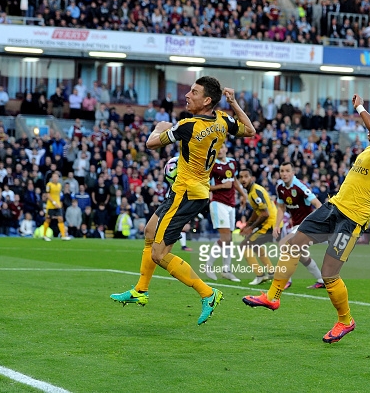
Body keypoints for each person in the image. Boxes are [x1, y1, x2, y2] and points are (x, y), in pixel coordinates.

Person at [243, 95, 370, 344]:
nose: (369, 127)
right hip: (333, 207)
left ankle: (345, 320)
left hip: (351, 219)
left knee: (330, 274)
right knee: (293, 243)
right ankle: (273, 296)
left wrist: (361, 108)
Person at [110, 76, 256, 325]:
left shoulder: (188, 125)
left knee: (158, 254)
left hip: (186, 194)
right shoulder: (222, 120)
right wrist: (233, 102)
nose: (187, 95)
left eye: (194, 92)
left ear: (207, 100)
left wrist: (159, 126)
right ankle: (140, 290)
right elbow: (250, 130)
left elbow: (150, 143)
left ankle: (208, 293)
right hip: (189, 191)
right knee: (149, 231)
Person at [273, 162, 324, 289]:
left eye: (287, 171)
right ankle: (322, 280)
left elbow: (318, 204)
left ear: (292, 173)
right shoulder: (280, 188)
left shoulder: (300, 186)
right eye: (282, 171)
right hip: (296, 225)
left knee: (284, 245)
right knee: (302, 256)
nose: (284, 174)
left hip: (307, 225)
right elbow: (281, 207)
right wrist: (276, 225)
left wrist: (319, 223)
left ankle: (285, 280)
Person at [204, 145, 241, 282]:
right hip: (218, 203)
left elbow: (234, 181)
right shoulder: (212, 165)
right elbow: (205, 185)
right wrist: (221, 186)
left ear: (226, 149)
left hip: (231, 205)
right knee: (226, 238)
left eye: (222, 148)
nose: (220, 150)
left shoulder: (232, 163)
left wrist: (243, 195)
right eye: (217, 149)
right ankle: (208, 266)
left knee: (229, 240)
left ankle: (226, 270)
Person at [237, 168, 276, 285]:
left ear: (251, 178)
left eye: (246, 176)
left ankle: (260, 275)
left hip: (269, 225)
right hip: (270, 223)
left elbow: (265, 213)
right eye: (241, 177)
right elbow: (257, 211)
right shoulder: (252, 190)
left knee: (244, 246)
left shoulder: (255, 192)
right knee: (255, 245)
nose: (243, 179)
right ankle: (271, 272)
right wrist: (248, 224)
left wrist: (251, 227)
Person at [41, 172, 71, 241]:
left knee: (60, 219)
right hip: (50, 206)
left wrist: (59, 203)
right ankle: (44, 235)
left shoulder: (59, 185)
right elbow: (48, 195)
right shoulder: (49, 185)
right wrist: (54, 202)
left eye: (56, 177)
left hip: (58, 206)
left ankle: (63, 235)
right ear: (52, 178)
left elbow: (58, 195)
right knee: (48, 220)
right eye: (54, 177)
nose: (55, 178)